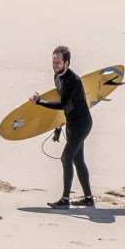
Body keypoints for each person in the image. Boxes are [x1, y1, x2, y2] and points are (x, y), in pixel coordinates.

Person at [29, 46, 94, 209]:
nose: (55, 65)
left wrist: (39, 102)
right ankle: (88, 199)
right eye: (53, 62)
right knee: (78, 160)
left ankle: (65, 200)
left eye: (58, 62)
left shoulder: (73, 80)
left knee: (66, 157)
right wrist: (58, 126)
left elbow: (62, 103)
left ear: (67, 62)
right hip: (71, 122)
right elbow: (64, 106)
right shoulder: (56, 77)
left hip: (82, 123)